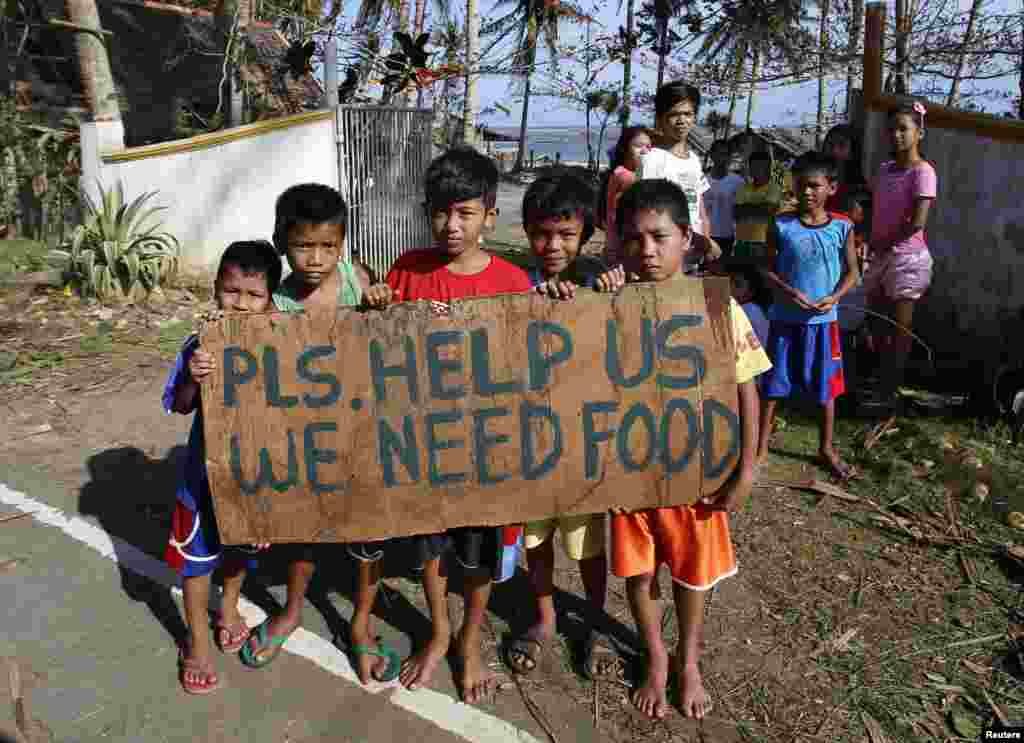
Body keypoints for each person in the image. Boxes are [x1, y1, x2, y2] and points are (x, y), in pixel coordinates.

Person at [589, 178, 769, 720]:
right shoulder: (613, 304)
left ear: (686, 238)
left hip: (699, 476)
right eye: (634, 238)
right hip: (632, 472)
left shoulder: (715, 306)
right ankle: (657, 657)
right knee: (639, 574)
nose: (646, 250)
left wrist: (746, 471)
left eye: (659, 237)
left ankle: (690, 660)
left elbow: (746, 389)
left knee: (692, 574)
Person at [363, 147, 533, 703]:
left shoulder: (514, 282)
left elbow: (536, 360)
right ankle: (438, 630)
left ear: (489, 214)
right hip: (426, 447)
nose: (451, 225)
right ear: (426, 211)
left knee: (479, 554)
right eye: (440, 212)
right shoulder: (406, 272)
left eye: (464, 213)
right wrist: (377, 307)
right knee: (430, 545)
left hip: (488, 450)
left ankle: (471, 638)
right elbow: (378, 349)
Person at [240, 183, 393, 672]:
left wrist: (380, 302)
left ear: (343, 244)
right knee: (302, 531)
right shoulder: (277, 302)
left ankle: (361, 622)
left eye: (328, 246)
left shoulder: (357, 282)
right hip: (307, 437)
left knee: (370, 533)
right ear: (282, 242)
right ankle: (290, 612)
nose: (316, 258)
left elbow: (392, 334)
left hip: (363, 432)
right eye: (304, 246)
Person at [505, 172, 622, 678]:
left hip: (583, 443)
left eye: (566, 234)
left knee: (588, 545)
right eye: (540, 233)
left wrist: (615, 294)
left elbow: (628, 339)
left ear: (587, 234)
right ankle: (546, 618)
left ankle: (595, 620)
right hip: (529, 440)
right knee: (538, 541)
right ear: (527, 230)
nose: (552, 245)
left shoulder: (601, 280)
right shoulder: (513, 284)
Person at [163, 240, 280, 694]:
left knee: (240, 551)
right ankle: (196, 643)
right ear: (216, 290)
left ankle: (229, 607)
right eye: (232, 292)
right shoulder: (199, 344)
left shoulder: (282, 341)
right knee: (197, 563)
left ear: (270, 299)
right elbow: (180, 405)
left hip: (255, 478)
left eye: (254, 296)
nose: (241, 304)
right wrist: (194, 376)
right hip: (202, 479)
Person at [755, 152, 860, 480]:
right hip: (785, 320)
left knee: (827, 388)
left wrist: (835, 297)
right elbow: (764, 268)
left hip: (823, 324)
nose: (806, 193)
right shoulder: (781, 224)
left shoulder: (843, 226)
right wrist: (789, 292)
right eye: (800, 186)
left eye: (814, 186)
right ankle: (759, 448)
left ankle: (826, 448)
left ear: (832, 187)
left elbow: (853, 272)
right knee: (774, 385)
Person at [863, 101, 937, 407]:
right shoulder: (884, 170)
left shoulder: (924, 172)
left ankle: (890, 388)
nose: (896, 135)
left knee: (900, 327)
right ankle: (879, 379)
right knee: (876, 321)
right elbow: (876, 209)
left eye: (904, 129)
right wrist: (869, 240)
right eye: (891, 129)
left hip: (908, 259)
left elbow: (917, 221)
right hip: (879, 255)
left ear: (919, 132)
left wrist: (885, 242)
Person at [638, 81, 721, 264]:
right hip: (666, 255)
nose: (681, 121)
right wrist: (697, 240)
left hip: (695, 255)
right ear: (659, 118)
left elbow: (700, 209)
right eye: (674, 114)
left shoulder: (693, 159)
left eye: (688, 114)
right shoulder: (652, 159)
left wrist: (706, 241)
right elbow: (650, 214)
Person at [599, 126, 653, 266]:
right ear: (625, 148)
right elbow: (611, 212)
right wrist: (612, 242)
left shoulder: (650, 172)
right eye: (638, 146)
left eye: (648, 146)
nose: (644, 150)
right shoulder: (621, 174)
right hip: (622, 237)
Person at [733, 150, 783, 262]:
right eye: (754, 166)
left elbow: (768, 210)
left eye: (761, 166)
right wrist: (760, 207)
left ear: (768, 168)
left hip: (764, 242)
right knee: (741, 276)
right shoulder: (743, 188)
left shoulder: (774, 188)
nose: (757, 169)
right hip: (742, 241)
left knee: (762, 276)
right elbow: (737, 213)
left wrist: (747, 208)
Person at [703, 140, 745, 256]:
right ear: (712, 155)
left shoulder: (738, 182)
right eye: (719, 153)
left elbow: (741, 212)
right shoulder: (702, 180)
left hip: (728, 236)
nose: (722, 158)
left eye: (726, 154)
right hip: (706, 235)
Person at [822, 124, 867, 216]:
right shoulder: (816, 184)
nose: (834, 150)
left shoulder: (860, 192)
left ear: (853, 151)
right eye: (830, 145)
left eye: (842, 145)